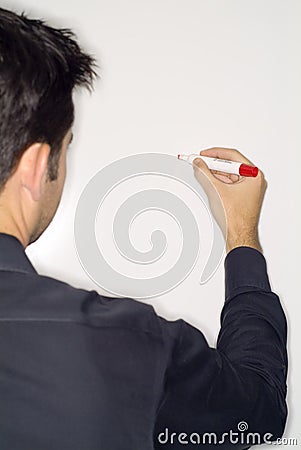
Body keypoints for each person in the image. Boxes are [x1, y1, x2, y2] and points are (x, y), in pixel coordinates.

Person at [0, 7, 287, 450]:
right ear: (38, 166)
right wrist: (241, 236)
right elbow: (257, 412)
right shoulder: (121, 343)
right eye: (66, 147)